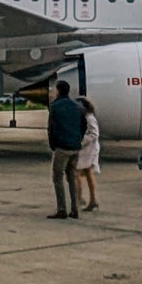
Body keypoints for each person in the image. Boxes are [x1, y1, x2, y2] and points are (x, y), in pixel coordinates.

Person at [46, 80, 85, 219]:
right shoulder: (77, 106)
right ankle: (75, 209)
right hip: (75, 147)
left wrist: (53, 145)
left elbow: (51, 128)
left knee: (57, 177)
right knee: (72, 178)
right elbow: (83, 125)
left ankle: (61, 209)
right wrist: (78, 139)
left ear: (58, 91)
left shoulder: (55, 107)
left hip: (62, 147)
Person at [75, 96, 101, 212]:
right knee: (88, 173)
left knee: (77, 173)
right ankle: (92, 200)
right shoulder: (84, 117)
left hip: (89, 149)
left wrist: (80, 142)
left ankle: (79, 199)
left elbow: (94, 134)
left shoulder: (89, 118)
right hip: (86, 149)